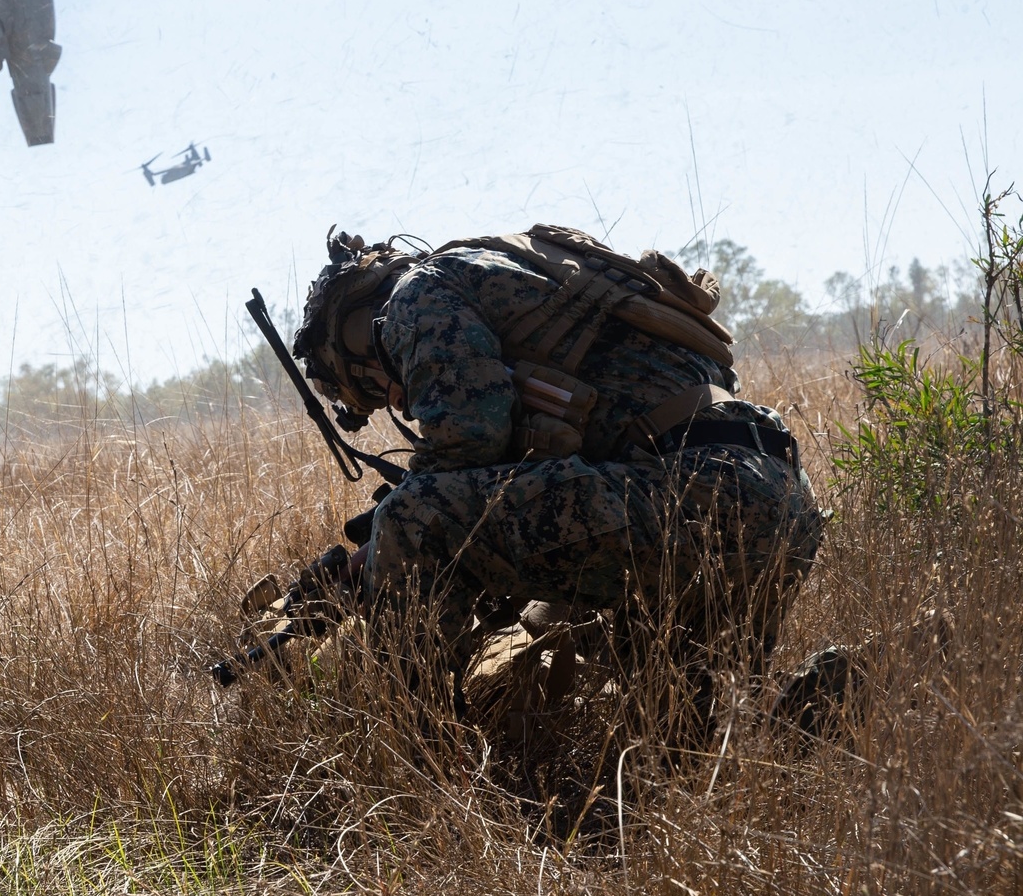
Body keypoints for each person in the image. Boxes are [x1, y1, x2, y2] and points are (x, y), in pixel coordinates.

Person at [288, 224, 824, 733]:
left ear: (357, 341)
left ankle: (410, 757)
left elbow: (469, 436)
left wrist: (387, 546)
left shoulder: (415, 294)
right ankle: (830, 703)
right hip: (772, 495)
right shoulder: (525, 278)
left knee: (418, 517)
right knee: (679, 734)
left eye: (378, 388)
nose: (396, 399)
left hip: (688, 496)